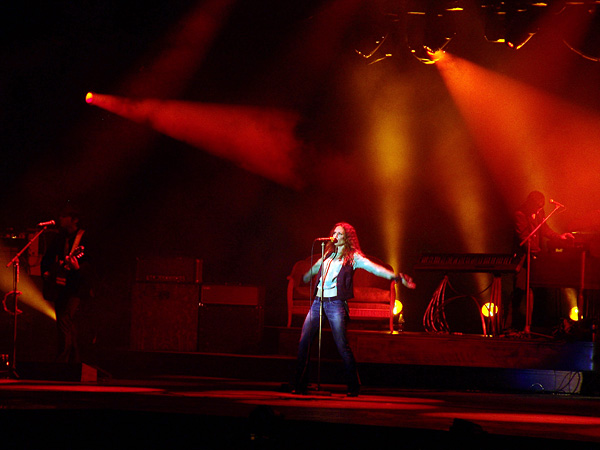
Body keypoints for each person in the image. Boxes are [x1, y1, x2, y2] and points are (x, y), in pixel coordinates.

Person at [293, 222, 415, 397]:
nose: (336, 236)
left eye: (340, 234)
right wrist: (304, 277)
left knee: (342, 345)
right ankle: (299, 384)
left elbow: (375, 269)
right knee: (304, 341)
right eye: (334, 232)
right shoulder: (327, 253)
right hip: (318, 302)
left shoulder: (353, 256)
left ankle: (353, 386)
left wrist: (396, 277)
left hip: (335, 303)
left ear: (347, 238)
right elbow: (315, 267)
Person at [511, 191, 573, 331]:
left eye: (540, 208)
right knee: (519, 292)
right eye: (537, 208)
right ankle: (513, 326)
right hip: (522, 260)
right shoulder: (520, 214)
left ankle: (535, 326)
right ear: (530, 204)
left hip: (535, 259)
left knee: (538, 292)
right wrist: (538, 253)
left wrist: (559, 237)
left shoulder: (539, 212)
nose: (539, 210)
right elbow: (524, 238)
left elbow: (544, 229)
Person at [41, 205, 92, 363]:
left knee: (64, 319)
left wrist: (78, 267)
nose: (60, 219)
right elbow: (47, 258)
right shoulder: (59, 237)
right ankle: (73, 360)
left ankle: (62, 360)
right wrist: (47, 272)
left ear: (74, 219)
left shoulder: (85, 238)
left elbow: (92, 263)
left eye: (64, 216)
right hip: (60, 286)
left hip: (76, 287)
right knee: (65, 322)